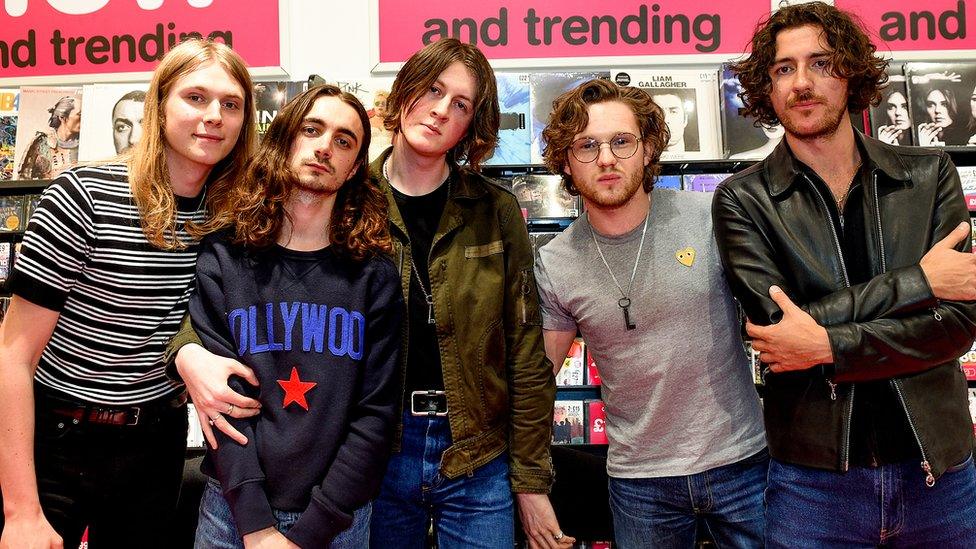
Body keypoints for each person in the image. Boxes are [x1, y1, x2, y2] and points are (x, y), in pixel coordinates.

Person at [171, 38, 570, 549]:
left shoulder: (494, 210)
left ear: (473, 122)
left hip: (474, 449)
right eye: (432, 90)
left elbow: (524, 352)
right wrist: (185, 351)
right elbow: (225, 308)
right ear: (403, 96)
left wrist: (531, 480)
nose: (441, 110)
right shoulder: (350, 198)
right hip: (378, 453)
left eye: (462, 104)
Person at [716, 2, 976, 546]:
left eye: (821, 63)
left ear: (852, 72)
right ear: (767, 87)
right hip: (813, 485)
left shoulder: (929, 176)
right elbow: (778, 330)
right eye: (784, 69)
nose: (802, 83)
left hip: (941, 473)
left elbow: (957, 324)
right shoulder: (743, 200)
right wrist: (919, 283)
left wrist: (827, 345)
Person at [0, 38, 255, 549]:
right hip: (56, 441)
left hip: (155, 445)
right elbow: (12, 356)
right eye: (196, 98)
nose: (213, 116)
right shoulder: (82, 195)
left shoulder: (233, 216)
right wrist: (20, 509)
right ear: (160, 104)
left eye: (230, 104)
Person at [538, 78, 767, 549]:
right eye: (587, 145)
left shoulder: (712, 216)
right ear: (565, 161)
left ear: (647, 150)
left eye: (622, 141)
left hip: (743, 464)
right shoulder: (555, 260)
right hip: (639, 484)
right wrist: (529, 484)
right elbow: (537, 378)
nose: (606, 158)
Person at [188, 84, 403, 548]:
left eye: (344, 141)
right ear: (284, 139)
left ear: (353, 170)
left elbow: (375, 416)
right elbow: (222, 405)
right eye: (312, 129)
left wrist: (311, 531)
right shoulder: (223, 258)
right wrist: (258, 526)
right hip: (232, 514)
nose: (325, 146)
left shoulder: (375, 278)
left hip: (336, 523)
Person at [17, 95, 82, 179]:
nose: (84, 118)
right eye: (79, 114)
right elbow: (24, 178)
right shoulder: (42, 141)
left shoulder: (85, 144)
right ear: (62, 117)